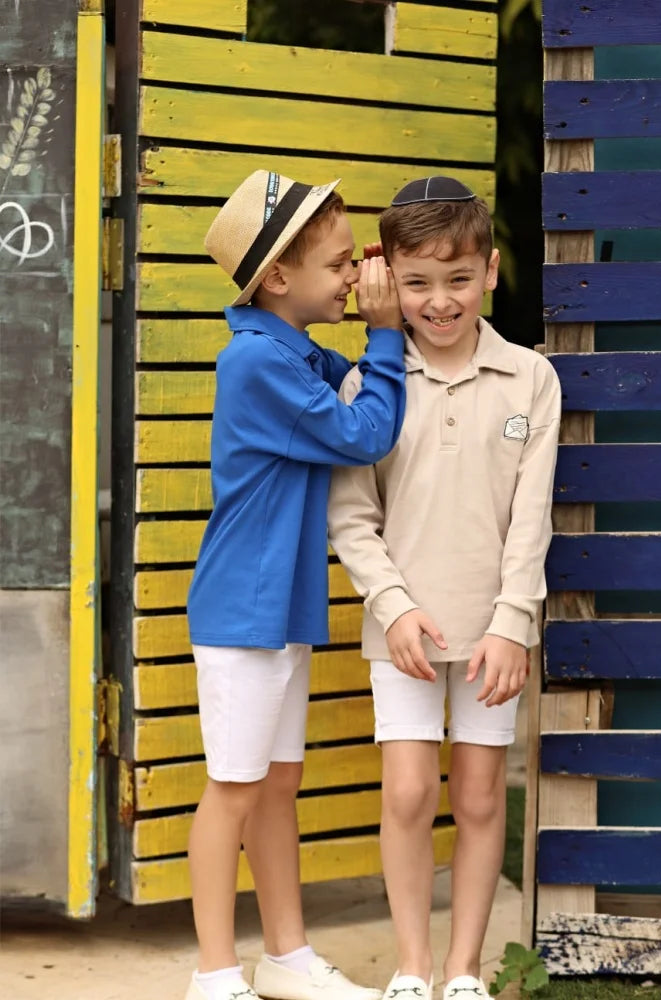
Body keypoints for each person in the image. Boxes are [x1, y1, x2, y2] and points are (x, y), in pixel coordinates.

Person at [328, 176, 561, 1000]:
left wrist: (511, 623)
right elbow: (353, 518)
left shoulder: (530, 378)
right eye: (417, 282)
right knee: (408, 790)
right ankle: (413, 967)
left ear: (490, 273)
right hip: (406, 632)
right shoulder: (370, 387)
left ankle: (462, 969)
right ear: (386, 278)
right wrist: (391, 607)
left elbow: (531, 519)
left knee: (479, 792)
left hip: (495, 630)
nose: (440, 301)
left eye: (458, 280)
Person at [185, 169, 406, 1000]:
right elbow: (364, 433)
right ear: (278, 278)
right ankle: (213, 972)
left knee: (277, 784)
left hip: (275, 606)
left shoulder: (287, 348)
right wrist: (385, 335)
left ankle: (285, 957)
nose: (355, 278)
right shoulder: (254, 366)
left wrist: (377, 332)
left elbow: (345, 385)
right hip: (244, 608)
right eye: (343, 265)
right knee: (234, 790)